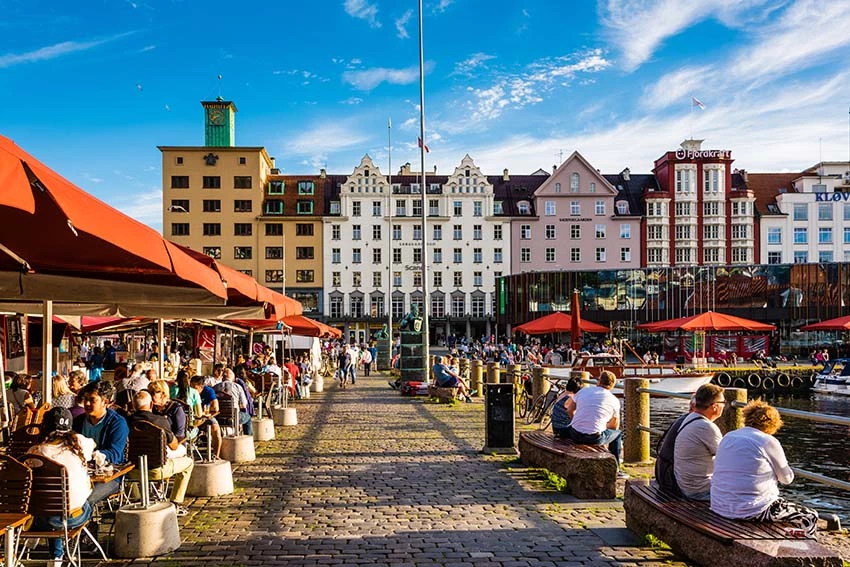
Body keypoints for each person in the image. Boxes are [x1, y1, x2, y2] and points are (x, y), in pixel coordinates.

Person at [711, 400, 818, 538]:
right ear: (773, 423)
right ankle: (806, 550)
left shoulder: (729, 436)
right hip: (751, 509)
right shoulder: (768, 441)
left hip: (719, 505)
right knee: (810, 515)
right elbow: (787, 479)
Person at [27, 407, 95, 566]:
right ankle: (56, 557)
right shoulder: (79, 444)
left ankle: (55, 555)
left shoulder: (35, 451)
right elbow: (92, 446)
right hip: (73, 517)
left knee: (51, 506)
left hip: (42, 519)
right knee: (83, 504)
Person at [128, 391, 193, 515]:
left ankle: (135, 499)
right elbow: (174, 446)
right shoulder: (160, 421)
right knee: (188, 463)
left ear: (133, 405)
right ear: (151, 404)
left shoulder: (126, 421)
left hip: (132, 471)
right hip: (157, 470)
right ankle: (175, 502)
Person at [72, 380, 129, 508]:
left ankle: (84, 525)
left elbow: (115, 454)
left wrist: (92, 455)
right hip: (80, 474)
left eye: (92, 400)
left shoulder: (117, 423)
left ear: (105, 402)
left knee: (84, 500)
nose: (86, 404)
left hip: (110, 476)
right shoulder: (78, 422)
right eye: (85, 399)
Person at [565, 370, 628, 478]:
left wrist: (578, 421)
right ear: (612, 385)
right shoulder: (614, 400)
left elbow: (569, 410)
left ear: (599, 381)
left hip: (574, 434)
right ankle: (617, 468)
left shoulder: (584, 391)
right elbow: (613, 426)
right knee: (617, 434)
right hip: (594, 437)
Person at [673, 384, 725, 500]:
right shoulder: (706, 427)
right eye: (723, 403)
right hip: (699, 490)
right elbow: (727, 458)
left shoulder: (690, 418)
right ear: (715, 406)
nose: (724, 406)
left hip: (685, 484)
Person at [190, 375, 222, 458]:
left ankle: (216, 455)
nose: (192, 389)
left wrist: (205, 411)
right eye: (191, 387)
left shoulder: (208, 391)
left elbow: (216, 408)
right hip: (191, 418)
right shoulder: (188, 392)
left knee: (215, 429)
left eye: (195, 388)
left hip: (205, 417)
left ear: (202, 387)